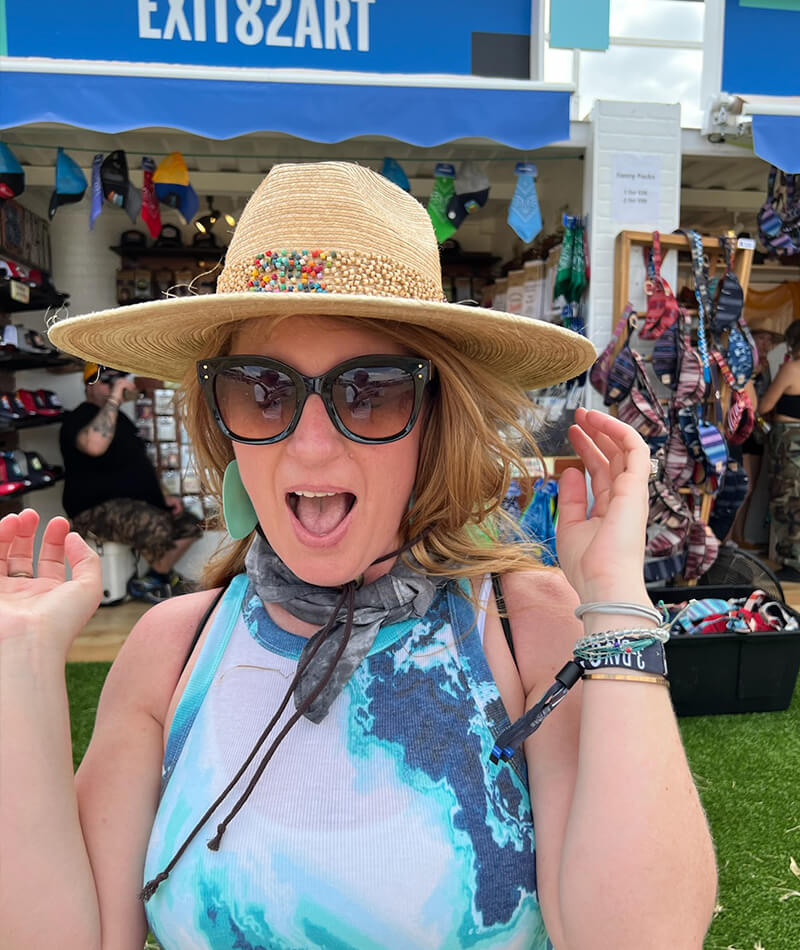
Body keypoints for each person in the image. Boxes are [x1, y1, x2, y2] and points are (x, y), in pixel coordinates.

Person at [1, 163, 717, 950]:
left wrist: (616, 599)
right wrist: (20, 666)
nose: (310, 445)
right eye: (260, 389)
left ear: (435, 418)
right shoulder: (172, 650)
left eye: (371, 388)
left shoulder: (522, 627)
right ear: (221, 416)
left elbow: (641, 937)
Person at [59, 363, 202, 601]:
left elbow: (138, 463)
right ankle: (160, 579)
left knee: (189, 524)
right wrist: (115, 398)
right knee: (154, 524)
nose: (114, 385)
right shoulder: (79, 418)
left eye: (118, 380)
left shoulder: (121, 420)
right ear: (89, 386)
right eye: (107, 381)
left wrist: (163, 495)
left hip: (133, 504)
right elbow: (95, 445)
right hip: (93, 509)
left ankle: (155, 577)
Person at [729, 327, 782, 547]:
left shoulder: (767, 367)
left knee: (749, 490)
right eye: (762, 338)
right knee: (744, 486)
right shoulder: (744, 363)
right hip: (743, 429)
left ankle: (739, 536)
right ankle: (730, 535)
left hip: (758, 432)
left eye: (769, 340)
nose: (765, 343)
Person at [759, 318, 800, 581]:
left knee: (787, 499)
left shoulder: (791, 369)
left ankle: (793, 562)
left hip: (790, 439)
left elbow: (764, 406)